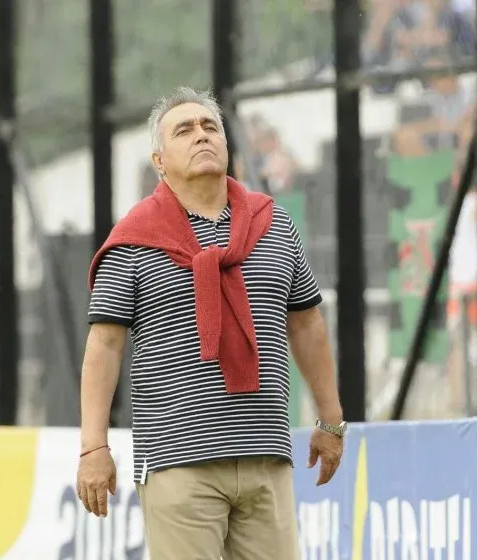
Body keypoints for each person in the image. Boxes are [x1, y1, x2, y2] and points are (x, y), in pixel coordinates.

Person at [76, 86, 345, 560]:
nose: (201, 135)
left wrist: (332, 421)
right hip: (178, 465)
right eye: (184, 130)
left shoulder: (273, 224)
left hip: (266, 456)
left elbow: (306, 324)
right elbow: (105, 346)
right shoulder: (133, 239)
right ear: (159, 161)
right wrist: (93, 447)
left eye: (210, 127)